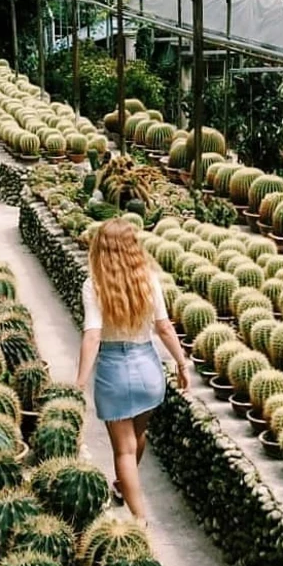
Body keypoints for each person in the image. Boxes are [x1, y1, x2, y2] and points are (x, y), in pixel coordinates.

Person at [75, 218, 188, 522]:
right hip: (148, 370)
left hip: (114, 372)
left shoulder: (94, 285)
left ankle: (139, 518)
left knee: (123, 450)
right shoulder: (147, 279)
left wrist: (80, 382)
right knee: (139, 435)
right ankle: (125, 486)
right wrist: (181, 362)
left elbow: (93, 335)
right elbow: (163, 327)